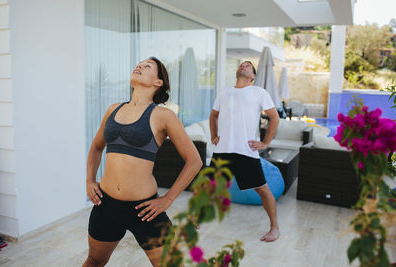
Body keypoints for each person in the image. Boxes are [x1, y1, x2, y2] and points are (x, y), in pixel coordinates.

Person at [83, 57, 203, 267]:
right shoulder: (113, 109)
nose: (138, 66)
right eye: (138, 64)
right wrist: (89, 180)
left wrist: (168, 199)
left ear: (158, 83)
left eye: (147, 66)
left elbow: (194, 161)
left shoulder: (164, 116)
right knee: (94, 261)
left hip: (145, 209)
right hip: (106, 204)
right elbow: (96, 147)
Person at [209, 61, 280, 242]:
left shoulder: (258, 92)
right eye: (241, 64)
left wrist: (265, 142)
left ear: (253, 77)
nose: (243, 66)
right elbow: (213, 115)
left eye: (248, 66)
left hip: (246, 152)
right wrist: (214, 135)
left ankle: (274, 228)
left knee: (263, 191)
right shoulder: (224, 92)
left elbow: (274, 117)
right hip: (223, 150)